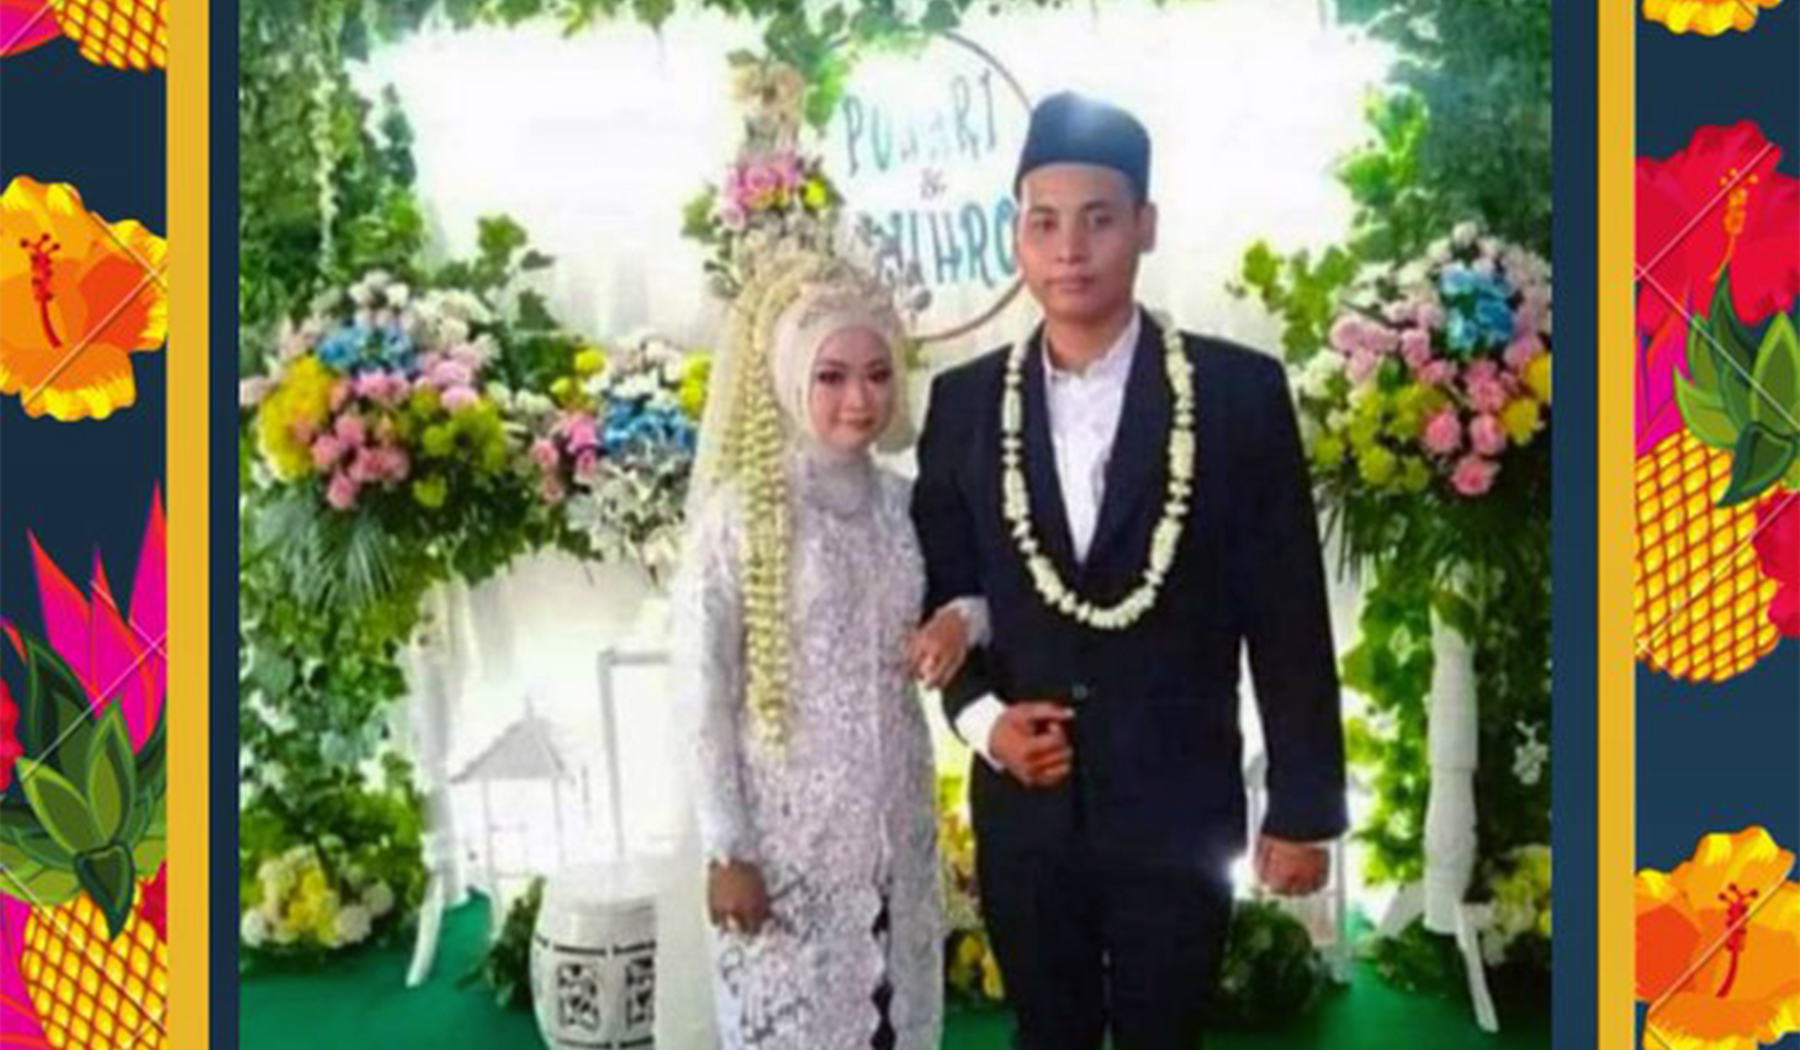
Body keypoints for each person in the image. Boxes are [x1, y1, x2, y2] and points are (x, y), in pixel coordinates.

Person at [911, 92, 1349, 1050]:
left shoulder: (1235, 394)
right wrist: (984, 725)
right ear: (1017, 236)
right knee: (1048, 1034)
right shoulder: (964, 404)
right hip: (1026, 803)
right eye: (1044, 223)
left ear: (1145, 225)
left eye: (1099, 220)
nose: (1069, 250)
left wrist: (1303, 808)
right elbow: (945, 597)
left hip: (1179, 802)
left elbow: (1286, 610)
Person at [671, 247, 980, 1050]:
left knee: (891, 1027)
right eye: (832, 377)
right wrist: (727, 847)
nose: (859, 399)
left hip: (895, 828)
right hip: (786, 847)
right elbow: (701, 687)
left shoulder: (905, 506)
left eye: (877, 375)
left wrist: (961, 621)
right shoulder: (741, 515)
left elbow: (977, 597)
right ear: (788, 378)